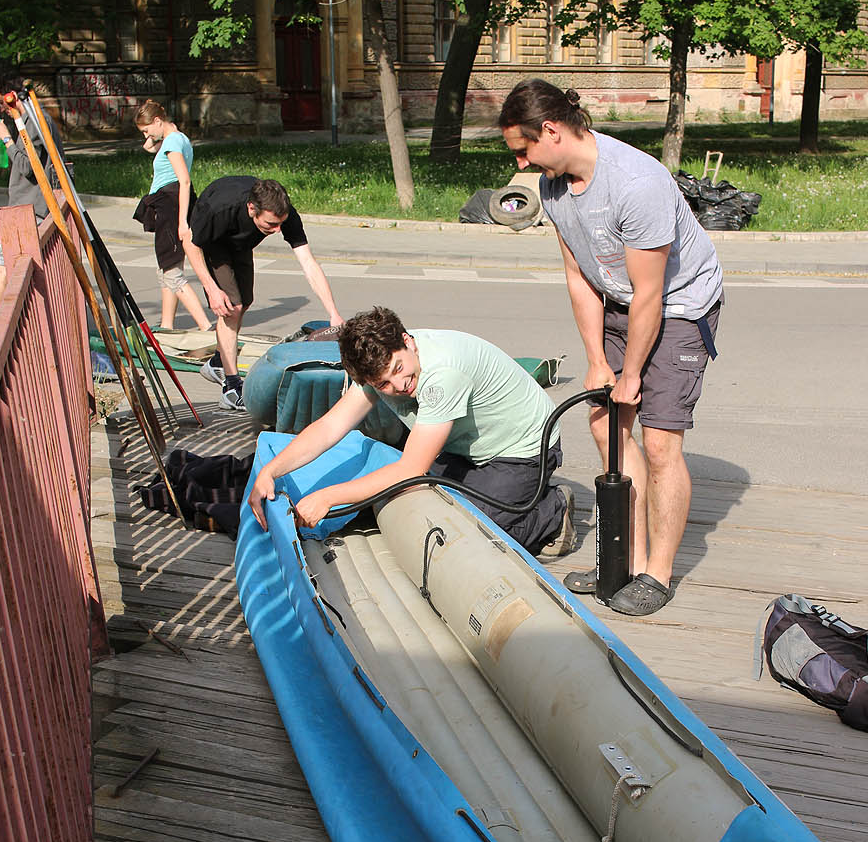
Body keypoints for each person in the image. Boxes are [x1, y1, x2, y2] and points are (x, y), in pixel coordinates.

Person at [499, 78, 723, 616]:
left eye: (524, 150)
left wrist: (633, 374)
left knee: (660, 442)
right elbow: (580, 278)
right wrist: (600, 362)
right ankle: (624, 557)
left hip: (678, 306)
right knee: (605, 423)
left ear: (551, 131)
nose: (522, 165)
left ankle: (657, 573)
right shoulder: (554, 189)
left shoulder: (637, 183)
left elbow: (650, 295)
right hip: (620, 301)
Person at [248, 305, 576, 558]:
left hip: (523, 448)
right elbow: (331, 426)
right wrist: (271, 471)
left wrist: (328, 497)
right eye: (383, 385)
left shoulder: (441, 373)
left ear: (407, 342)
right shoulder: (383, 363)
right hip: (464, 446)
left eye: (399, 370)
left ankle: (553, 510)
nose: (398, 386)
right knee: (426, 508)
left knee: (475, 532)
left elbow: (410, 468)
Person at [186, 175, 342, 410]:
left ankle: (218, 361)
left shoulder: (284, 213)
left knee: (245, 302)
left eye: (281, 223)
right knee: (232, 307)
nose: (278, 230)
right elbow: (191, 243)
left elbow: (308, 263)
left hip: (240, 243)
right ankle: (231, 387)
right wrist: (212, 288)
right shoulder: (220, 209)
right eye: (270, 225)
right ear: (251, 209)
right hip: (213, 242)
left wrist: (333, 313)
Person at [131, 100, 212, 335]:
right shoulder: (177, 138)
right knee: (166, 266)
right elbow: (148, 148)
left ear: (158, 121)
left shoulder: (173, 141)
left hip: (171, 204)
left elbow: (184, 180)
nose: (146, 135)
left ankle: (206, 327)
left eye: (147, 129)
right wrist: (153, 134)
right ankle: (167, 325)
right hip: (170, 202)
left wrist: (182, 222)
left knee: (171, 272)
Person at [0, 82, 66, 305]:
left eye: (1, 102)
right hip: (29, 207)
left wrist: (6, 139)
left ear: (12, 96)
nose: (1, 109)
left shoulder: (34, 122)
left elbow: (29, 167)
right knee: (3, 269)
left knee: (4, 271)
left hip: (29, 209)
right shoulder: (32, 120)